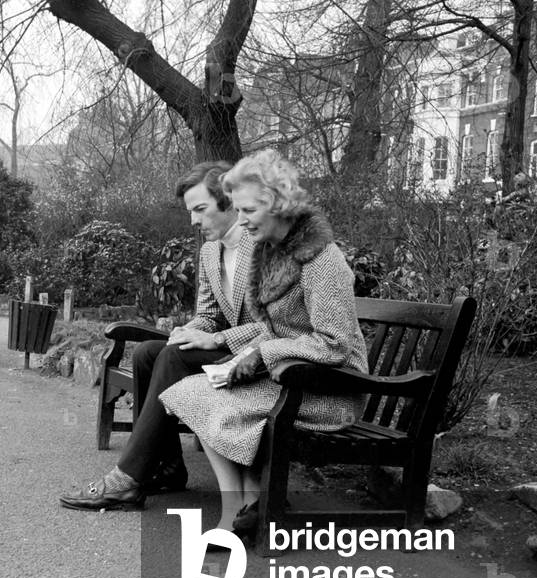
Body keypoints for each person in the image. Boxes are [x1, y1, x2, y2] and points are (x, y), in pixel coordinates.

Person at [159, 148, 369, 538]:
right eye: (237, 211)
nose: (240, 221)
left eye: (248, 212)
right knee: (193, 392)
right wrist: (239, 359)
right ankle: (243, 503)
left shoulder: (322, 259)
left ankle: (240, 511)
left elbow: (335, 344)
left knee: (214, 400)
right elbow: (270, 327)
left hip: (332, 388)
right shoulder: (270, 254)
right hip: (290, 377)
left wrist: (260, 355)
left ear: (275, 203)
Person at [60, 161, 264, 511]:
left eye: (200, 209)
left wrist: (216, 340)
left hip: (256, 356)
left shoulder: (261, 243)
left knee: (172, 357)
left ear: (228, 202)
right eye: (190, 212)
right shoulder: (210, 251)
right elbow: (210, 314)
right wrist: (191, 330)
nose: (194, 221)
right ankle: (167, 467)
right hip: (226, 350)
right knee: (149, 353)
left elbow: (273, 325)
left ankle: (126, 479)